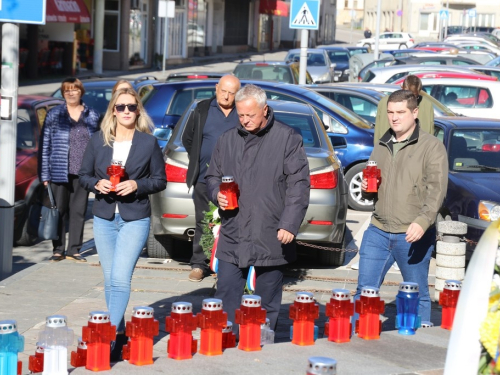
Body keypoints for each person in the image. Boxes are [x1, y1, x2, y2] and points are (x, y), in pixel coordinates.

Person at [205, 84, 310, 334]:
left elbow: (299, 185)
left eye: (250, 115)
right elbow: (212, 176)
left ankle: (261, 343)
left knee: (267, 298)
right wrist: (216, 193)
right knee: (227, 291)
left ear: (265, 110)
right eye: (240, 115)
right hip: (234, 230)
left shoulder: (287, 138)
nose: (245, 120)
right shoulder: (227, 139)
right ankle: (226, 339)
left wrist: (289, 223)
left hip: (271, 230)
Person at [79, 88, 166, 361]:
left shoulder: (148, 143)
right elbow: (83, 175)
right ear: (113, 112)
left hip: (134, 218)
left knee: (119, 279)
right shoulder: (97, 141)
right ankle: (118, 335)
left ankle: (104, 339)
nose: (126, 111)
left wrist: (137, 184)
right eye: (120, 107)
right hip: (104, 217)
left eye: (131, 107)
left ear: (138, 110)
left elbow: (160, 180)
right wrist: (96, 183)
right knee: (109, 280)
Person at [354, 90, 448, 324]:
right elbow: (373, 187)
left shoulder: (432, 147)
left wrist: (423, 221)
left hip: (412, 234)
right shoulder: (382, 144)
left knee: (416, 295)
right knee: (364, 291)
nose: (394, 118)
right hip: (378, 230)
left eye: (400, 112)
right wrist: (367, 187)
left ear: (415, 113)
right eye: (390, 113)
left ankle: (420, 349)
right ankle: (357, 340)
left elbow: (437, 190)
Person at [182, 75, 241, 282]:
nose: (226, 96)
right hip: (203, 178)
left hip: (235, 182)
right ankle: (199, 264)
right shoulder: (202, 109)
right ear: (216, 88)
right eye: (223, 91)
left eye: (231, 93)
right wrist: (199, 159)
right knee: (203, 221)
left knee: (232, 222)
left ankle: (227, 265)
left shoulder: (241, 112)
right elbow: (187, 138)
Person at [39, 77, 100, 262]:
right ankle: (58, 249)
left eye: (74, 90)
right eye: (67, 90)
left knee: (79, 211)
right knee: (59, 211)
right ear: (63, 93)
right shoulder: (54, 114)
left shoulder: (93, 115)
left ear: (81, 91)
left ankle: (74, 249)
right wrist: (44, 174)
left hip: (83, 172)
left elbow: (98, 145)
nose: (71, 93)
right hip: (58, 170)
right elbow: (45, 145)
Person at [374, 75, 434, 145]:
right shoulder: (384, 103)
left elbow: (430, 133)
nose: (410, 99)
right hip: (388, 148)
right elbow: (378, 133)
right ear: (401, 87)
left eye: (414, 96)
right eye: (407, 95)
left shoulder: (426, 105)